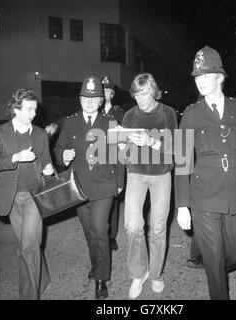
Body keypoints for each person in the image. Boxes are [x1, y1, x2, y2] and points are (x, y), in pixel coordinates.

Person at [175, 46, 236, 300]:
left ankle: (212, 265)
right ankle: (214, 274)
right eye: (197, 77)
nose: (201, 81)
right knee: (215, 261)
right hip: (203, 196)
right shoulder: (191, 114)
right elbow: (182, 162)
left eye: (206, 75)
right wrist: (182, 205)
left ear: (220, 77)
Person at [54, 75, 124, 299]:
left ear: (101, 101)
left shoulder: (110, 123)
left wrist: (120, 183)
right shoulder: (71, 122)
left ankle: (102, 278)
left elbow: (120, 155)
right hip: (80, 187)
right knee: (88, 232)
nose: (90, 102)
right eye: (86, 97)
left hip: (104, 185)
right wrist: (63, 156)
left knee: (99, 229)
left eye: (94, 98)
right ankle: (96, 265)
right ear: (80, 98)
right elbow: (59, 149)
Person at [0, 88, 54, 299]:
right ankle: (43, 280)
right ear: (15, 109)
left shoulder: (40, 134)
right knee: (29, 245)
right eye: (29, 109)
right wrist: (14, 157)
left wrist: (48, 169)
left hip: (35, 195)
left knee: (27, 248)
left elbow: (46, 160)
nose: (34, 113)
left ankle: (28, 295)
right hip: (11, 197)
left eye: (35, 109)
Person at [120, 73, 178, 299]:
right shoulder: (129, 115)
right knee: (133, 225)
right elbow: (122, 153)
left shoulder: (167, 113)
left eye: (144, 93)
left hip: (161, 175)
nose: (140, 98)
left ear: (153, 91)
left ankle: (155, 274)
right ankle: (138, 273)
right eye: (136, 94)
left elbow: (176, 147)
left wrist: (151, 141)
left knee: (157, 227)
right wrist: (120, 144)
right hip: (136, 174)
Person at [101, 75, 125, 251]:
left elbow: (124, 137)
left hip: (113, 157)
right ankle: (100, 232)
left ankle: (111, 235)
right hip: (96, 157)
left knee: (113, 199)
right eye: (102, 91)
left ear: (112, 94)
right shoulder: (94, 112)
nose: (104, 94)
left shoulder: (119, 112)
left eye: (107, 91)